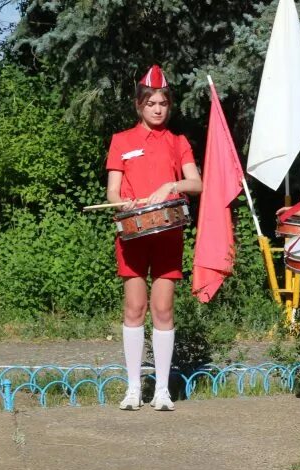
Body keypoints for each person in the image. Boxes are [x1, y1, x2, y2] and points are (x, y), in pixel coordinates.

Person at [106, 65, 202, 411]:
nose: (158, 109)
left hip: (167, 233)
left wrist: (172, 185)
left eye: (163, 103)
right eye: (151, 103)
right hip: (132, 234)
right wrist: (124, 203)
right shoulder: (122, 141)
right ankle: (133, 388)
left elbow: (197, 183)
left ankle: (162, 389)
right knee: (135, 308)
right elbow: (113, 191)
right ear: (139, 106)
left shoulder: (178, 142)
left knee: (163, 309)